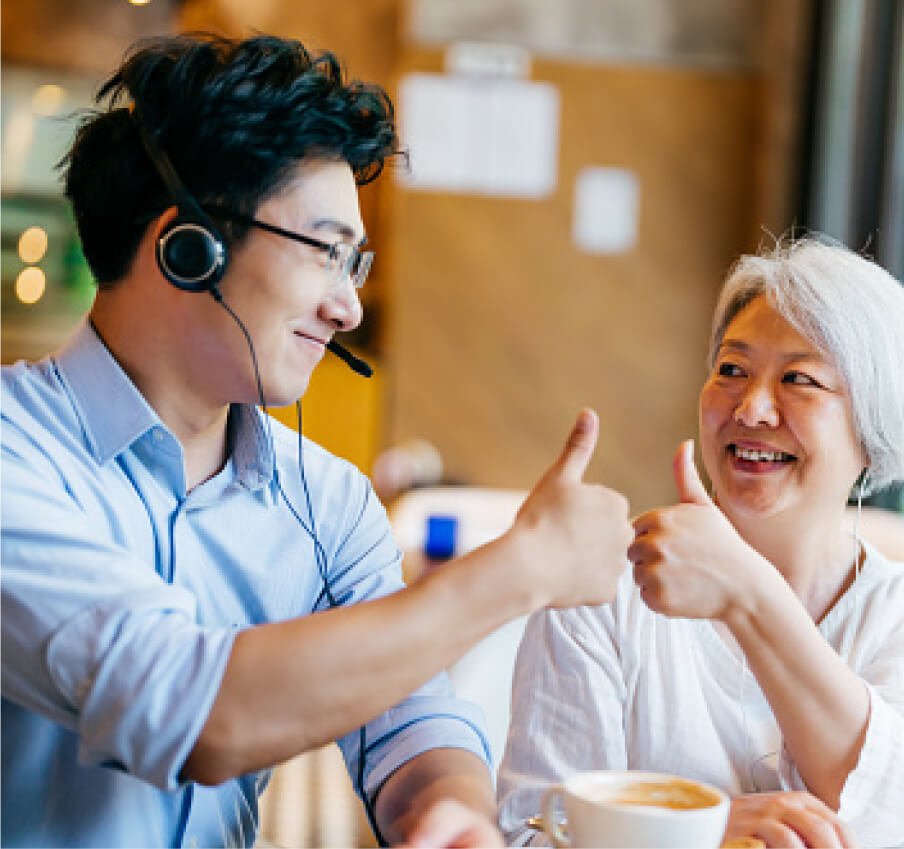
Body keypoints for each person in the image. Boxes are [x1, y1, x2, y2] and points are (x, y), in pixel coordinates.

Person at [0, 33, 633, 848]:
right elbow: (194, 712)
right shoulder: (16, 456)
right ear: (188, 246)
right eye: (327, 252)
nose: (348, 307)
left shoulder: (326, 498)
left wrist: (445, 805)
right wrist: (518, 571)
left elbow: (414, 725)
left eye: (355, 262)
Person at [497, 237, 904, 848]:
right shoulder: (605, 589)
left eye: (799, 379)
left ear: (874, 429)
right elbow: (531, 832)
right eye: (731, 370)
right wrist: (700, 832)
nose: (751, 408)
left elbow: (902, 821)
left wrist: (749, 593)